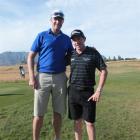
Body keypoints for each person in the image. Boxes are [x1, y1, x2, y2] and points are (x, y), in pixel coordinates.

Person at [27, 10, 73, 140]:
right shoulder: (41, 35)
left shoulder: (66, 39)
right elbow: (30, 57)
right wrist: (31, 77)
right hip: (42, 77)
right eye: (55, 19)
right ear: (51, 20)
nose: (57, 21)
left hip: (60, 77)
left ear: (63, 21)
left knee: (58, 112)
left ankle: (57, 138)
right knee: (38, 114)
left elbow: (71, 55)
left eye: (60, 19)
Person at [68, 29, 108, 140]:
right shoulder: (70, 53)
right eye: (74, 40)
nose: (77, 42)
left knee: (89, 123)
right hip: (73, 92)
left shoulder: (93, 52)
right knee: (77, 121)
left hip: (88, 93)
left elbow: (104, 71)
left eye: (79, 38)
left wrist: (98, 91)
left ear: (84, 39)